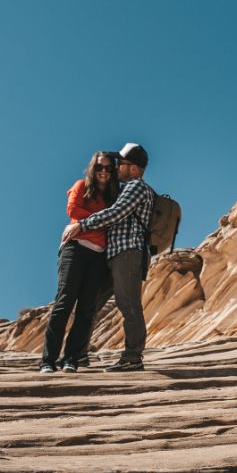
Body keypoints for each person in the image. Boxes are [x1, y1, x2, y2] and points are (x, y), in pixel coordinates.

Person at [61, 142, 154, 372]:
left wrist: (82, 225)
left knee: (128, 303)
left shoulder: (136, 188)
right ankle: (79, 355)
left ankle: (133, 357)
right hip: (114, 254)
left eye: (120, 164)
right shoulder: (123, 189)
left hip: (128, 253)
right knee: (92, 303)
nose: (115, 168)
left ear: (133, 168)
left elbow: (114, 214)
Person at [39, 152, 118, 373]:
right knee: (64, 302)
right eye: (100, 167)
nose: (104, 171)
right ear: (93, 168)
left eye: (109, 168)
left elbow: (114, 218)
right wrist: (103, 218)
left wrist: (91, 219)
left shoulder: (114, 195)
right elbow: (72, 210)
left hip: (98, 255)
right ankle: (48, 360)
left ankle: (71, 359)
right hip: (75, 248)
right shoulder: (82, 185)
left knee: (86, 308)